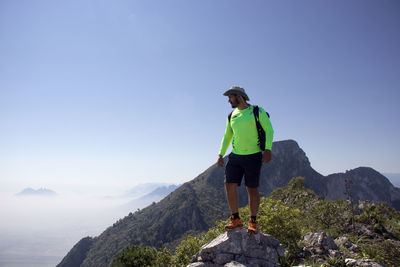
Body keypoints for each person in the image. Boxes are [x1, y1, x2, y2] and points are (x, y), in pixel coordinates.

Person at [217, 86, 274, 233]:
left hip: (253, 156)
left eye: (230, 97)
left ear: (239, 96)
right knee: (229, 184)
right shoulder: (231, 115)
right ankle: (235, 218)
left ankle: (253, 221)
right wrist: (220, 154)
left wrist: (267, 149)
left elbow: (269, 129)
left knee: (252, 188)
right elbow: (227, 136)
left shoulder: (257, 111)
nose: (228, 100)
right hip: (235, 156)